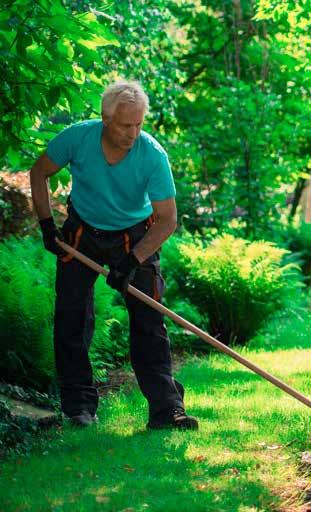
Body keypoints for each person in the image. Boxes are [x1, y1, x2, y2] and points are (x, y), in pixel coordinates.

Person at [29, 79, 198, 430]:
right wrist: (47, 225)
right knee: (71, 318)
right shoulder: (78, 138)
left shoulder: (152, 154)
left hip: (134, 236)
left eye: (139, 124)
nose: (133, 132)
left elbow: (167, 220)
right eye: (125, 124)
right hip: (82, 232)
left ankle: (167, 410)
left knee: (150, 321)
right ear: (106, 119)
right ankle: (78, 407)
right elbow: (39, 172)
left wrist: (133, 260)